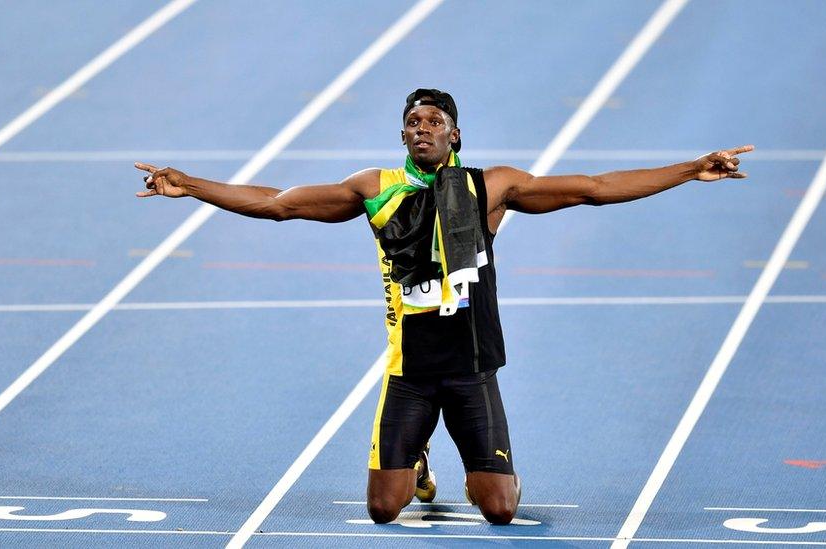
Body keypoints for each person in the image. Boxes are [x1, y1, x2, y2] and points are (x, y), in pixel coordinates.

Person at [135, 88, 752, 525]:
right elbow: (279, 202)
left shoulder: (492, 186)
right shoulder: (374, 188)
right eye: (412, 121)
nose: (421, 127)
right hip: (410, 373)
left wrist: (690, 169)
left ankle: (472, 461)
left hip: (471, 371)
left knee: (499, 510)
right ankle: (421, 456)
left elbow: (591, 190)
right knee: (383, 510)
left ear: (454, 133)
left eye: (434, 120)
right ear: (402, 134)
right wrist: (190, 185)